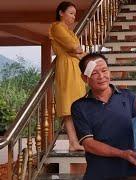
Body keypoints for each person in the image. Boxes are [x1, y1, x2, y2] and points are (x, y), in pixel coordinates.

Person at [71, 53, 136, 180]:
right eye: (94, 73)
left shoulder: (129, 97)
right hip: (98, 174)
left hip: (131, 173)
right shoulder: (79, 106)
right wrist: (122, 154)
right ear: (85, 78)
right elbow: (88, 144)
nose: (101, 76)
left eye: (104, 70)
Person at [49, 1, 86, 151]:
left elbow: (77, 49)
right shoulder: (57, 27)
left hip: (75, 67)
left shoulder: (69, 31)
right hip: (66, 68)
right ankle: (73, 142)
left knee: (77, 104)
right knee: (69, 106)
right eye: (70, 13)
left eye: (74, 14)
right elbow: (74, 47)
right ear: (61, 13)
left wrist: (77, 51)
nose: (73, 17)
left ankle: (75, 141)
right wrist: (76, 50)